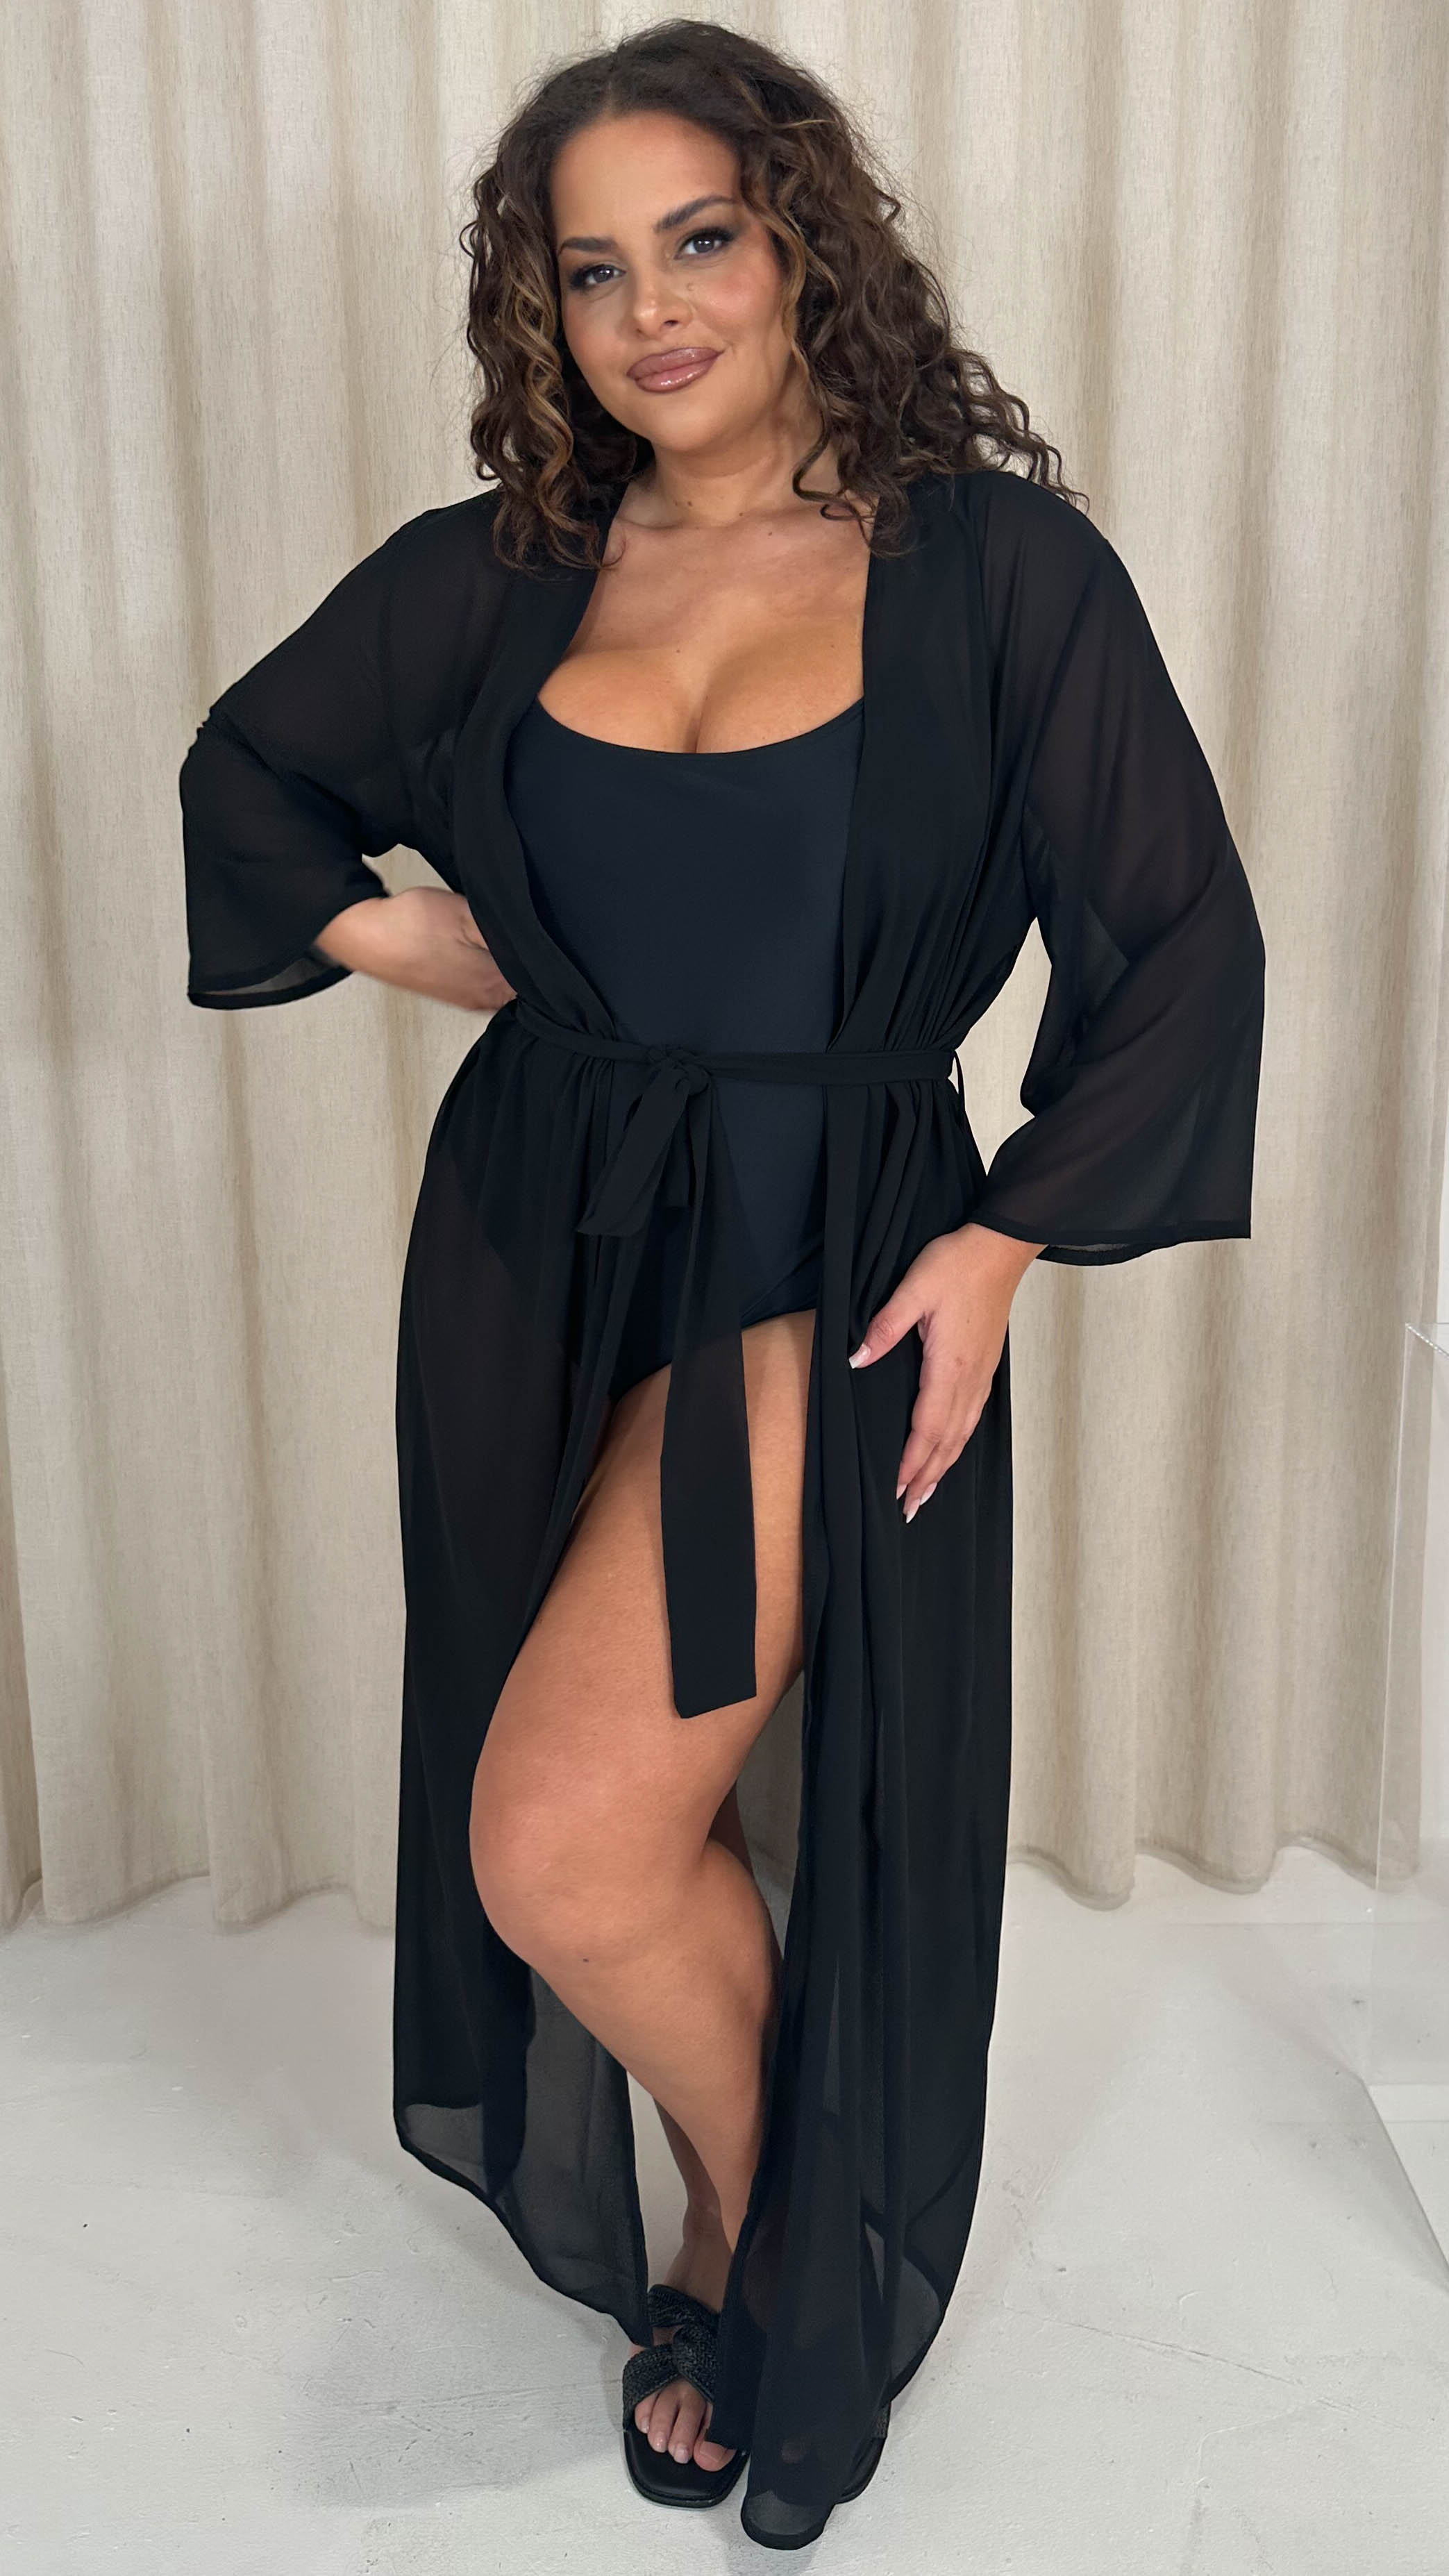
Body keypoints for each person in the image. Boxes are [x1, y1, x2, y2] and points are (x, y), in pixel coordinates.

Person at [178, 18, 1266, 2552]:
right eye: (592, 271)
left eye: (701, 239)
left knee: (560, 1839)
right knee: (594, 1799)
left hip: (826, 1250)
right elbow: (250, 771)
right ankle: (747, 2206)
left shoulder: (998, 575)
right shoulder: (504, 575)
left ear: (806, 247)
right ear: (540, 311)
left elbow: (1183, 937)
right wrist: (400, 939)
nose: (651, 310)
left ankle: (780, 2224)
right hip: (533, 1245)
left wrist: (1006, 1234)